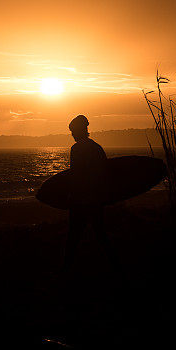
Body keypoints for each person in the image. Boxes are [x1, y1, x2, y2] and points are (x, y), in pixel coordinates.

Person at [63, 114, 118, 273]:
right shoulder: (97, 147)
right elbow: (104, 173)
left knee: (73, 237)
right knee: (101, 234)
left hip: (82, 200)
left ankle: (67, 270)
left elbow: (76, 175)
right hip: (96, 199)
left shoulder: (77, 148)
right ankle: (114, 266)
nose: (72, 135)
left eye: (73, 131)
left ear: (79, 131)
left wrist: (72, 196)